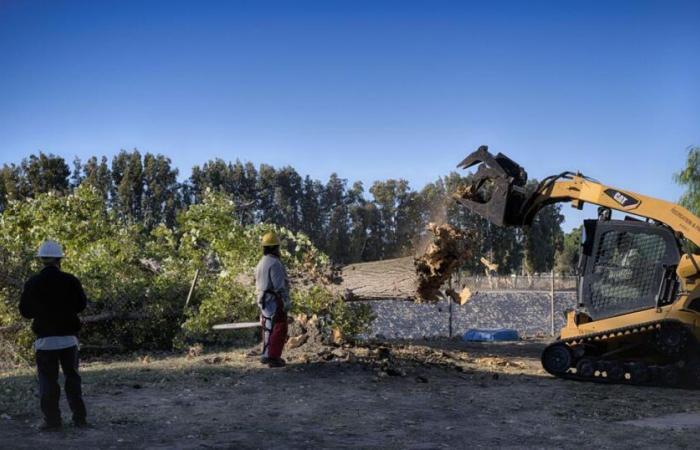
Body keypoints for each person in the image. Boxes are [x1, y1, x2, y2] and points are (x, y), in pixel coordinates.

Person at [19, 240, 88, 431]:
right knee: (72, 379)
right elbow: (81, 305)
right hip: (69, 339)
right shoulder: (71, 280)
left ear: (41, 259)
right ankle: (79, 419)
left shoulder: (33, 282)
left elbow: (25, 311)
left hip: (45, 341)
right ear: (59, 259)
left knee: (48, 382)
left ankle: (52, 421)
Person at [254, 231, 291, 368]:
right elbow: (279, 286)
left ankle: (266, 354)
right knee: (279, 327)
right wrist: (286, 301)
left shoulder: (260, 263)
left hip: (263, 299)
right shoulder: (275, 263)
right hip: (274, 299)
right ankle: (273, 357)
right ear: (275, 248)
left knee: (267, 328)